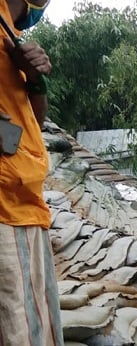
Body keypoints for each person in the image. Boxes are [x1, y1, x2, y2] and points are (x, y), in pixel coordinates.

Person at [0, 1, 63, 344]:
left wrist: (34, 77)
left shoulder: (11, 35)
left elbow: (33, 124)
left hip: (27, 201)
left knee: (34, 321)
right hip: (5, 205)